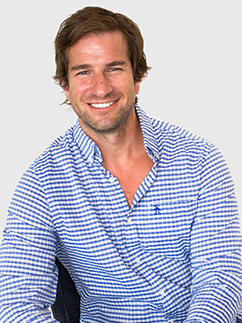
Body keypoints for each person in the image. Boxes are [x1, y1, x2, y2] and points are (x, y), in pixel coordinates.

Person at [0, 6, 241, 322]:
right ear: (65, 86)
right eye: (84, 72)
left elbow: (220, 281)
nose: (100, 87)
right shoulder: (43, 182)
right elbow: (16, 304)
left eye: (114, 68)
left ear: (137, 77)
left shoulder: (200, 160)